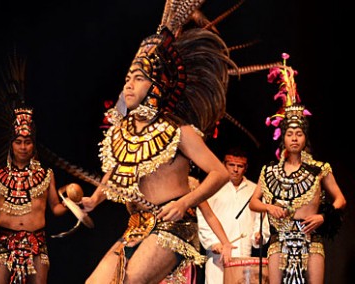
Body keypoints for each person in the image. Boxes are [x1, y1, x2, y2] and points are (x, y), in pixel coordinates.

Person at [80, 1, 246, 283]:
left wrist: (185, 203)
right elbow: (120, 167)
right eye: (127, 78)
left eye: (138, 78)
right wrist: (96, 198)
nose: (128, 85)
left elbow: (218, 173)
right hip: (137, 226)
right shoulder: (125, 129)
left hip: (173, 225)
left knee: (128, 281)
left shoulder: (178, 130)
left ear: (157, 84)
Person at [249, 53, 347, 284]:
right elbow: (254, 202)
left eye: (299, 134)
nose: (294, 138)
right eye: (290, 134)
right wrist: (269, 207)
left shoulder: (319, 169)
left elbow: (340, 200)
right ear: (282, 138)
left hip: (310, 239)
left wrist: (323, 216)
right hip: (278, 240)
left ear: (305, 138)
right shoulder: (269, 170)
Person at [0, 55, 70, 283]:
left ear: (33, 144)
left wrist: (70, 203)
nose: (23, 147)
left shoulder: (46, 175)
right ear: (11, 144)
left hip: (37, 241)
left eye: (27, 142)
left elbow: (55, 208)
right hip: (4, 241)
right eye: (18, 142)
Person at [197, 146, 270, 284]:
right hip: (216, 257)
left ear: (245, 168)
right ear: (224, 165)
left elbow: (261, 220)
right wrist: (213, 243)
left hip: (244, 256)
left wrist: (259, 235)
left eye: (240, 166)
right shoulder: (212, 188)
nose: (235, 169)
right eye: (231, 165)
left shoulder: (255, 190)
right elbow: (204, 217)